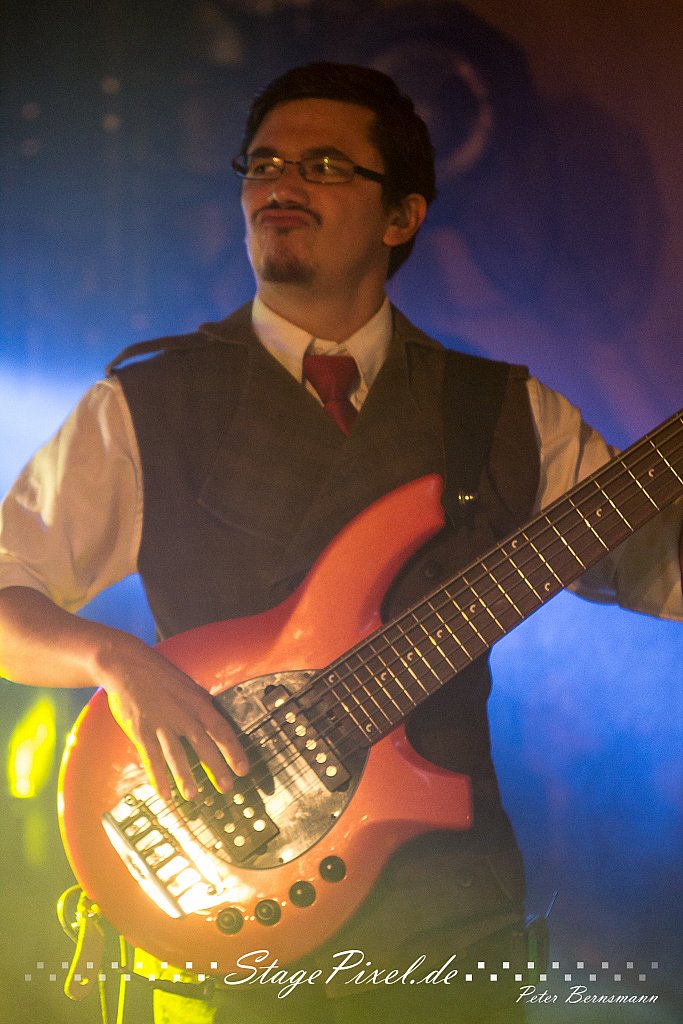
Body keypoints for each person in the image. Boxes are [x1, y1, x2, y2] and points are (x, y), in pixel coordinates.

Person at [0, 63, 681, 1024]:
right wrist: (115, 661)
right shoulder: (146, 403)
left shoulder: (501, 409)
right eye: (262, 163)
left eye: (322, 164)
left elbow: (655, 571)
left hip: (445, 932)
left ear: (401, 216)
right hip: (225, 945)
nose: (280, 183)